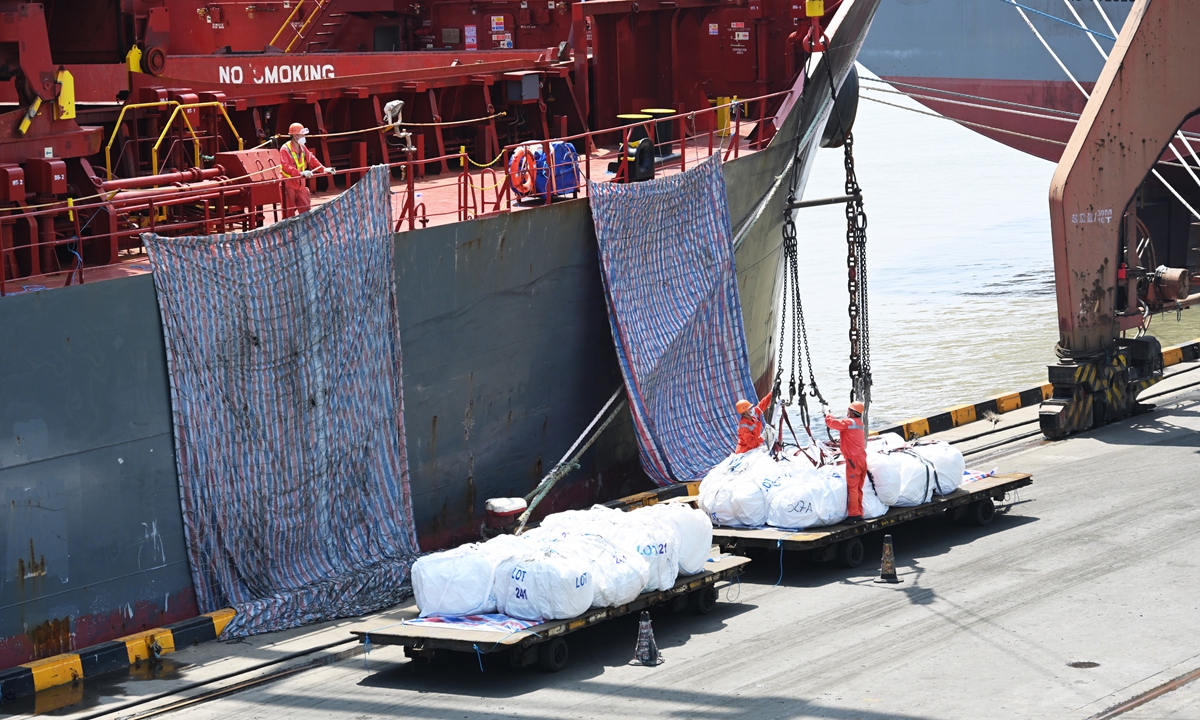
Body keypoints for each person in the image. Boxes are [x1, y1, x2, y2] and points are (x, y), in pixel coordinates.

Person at [279, 123, 335, 218]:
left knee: (305, 212)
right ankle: (289, 232)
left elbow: (311, 159)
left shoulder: (302, 147)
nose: (304, 137)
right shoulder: (285, 149)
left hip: (301, 183)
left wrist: (324, 169)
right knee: (288, 214)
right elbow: (286, 167)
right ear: (295, 135)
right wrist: (300, 173)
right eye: (302, 135)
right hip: (288, 185)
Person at [825, 401, 867, 523]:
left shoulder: (849, 423)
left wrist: (827, 412)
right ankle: (859, 513)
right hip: (861, 459)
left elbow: (831, 423)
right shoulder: (858, 423)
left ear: (853, 412)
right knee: (858, 488)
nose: (847, 412)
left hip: (853, 461)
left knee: (853, 487)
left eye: (849, 410)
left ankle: (853, 515)